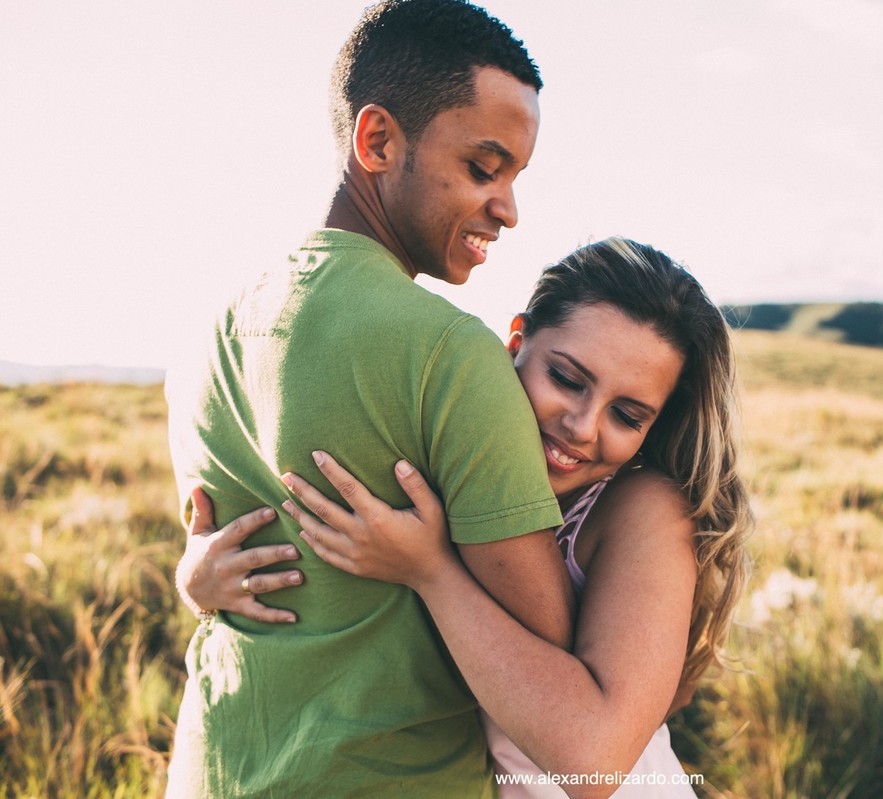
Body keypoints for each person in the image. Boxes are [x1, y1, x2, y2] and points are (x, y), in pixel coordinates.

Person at [165, 2, 574, 796]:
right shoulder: (448, 351)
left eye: (517, 177)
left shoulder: (209, 328)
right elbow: (549, 643)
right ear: (378, 140)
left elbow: (217, 556)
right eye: (484, 168)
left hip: (209, 769)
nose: (509, 209)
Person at [185, 238, 754, 797]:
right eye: (567, 379)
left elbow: (596, 764)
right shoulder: (458, 469)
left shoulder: (644, 509)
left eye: (627, 415)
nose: (582, 426)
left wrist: (432, 573)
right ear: (514, 343)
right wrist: (196, 583)